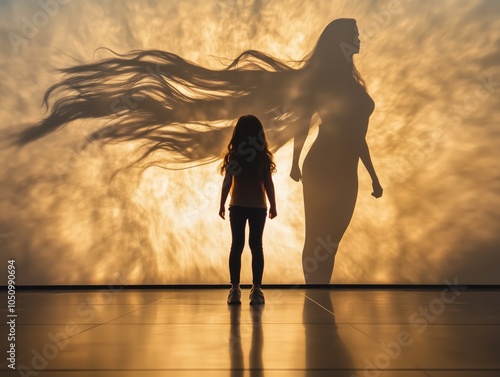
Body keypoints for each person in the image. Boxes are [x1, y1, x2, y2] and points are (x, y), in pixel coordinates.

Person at [17, 18, 382, 285]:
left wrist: (373, 175)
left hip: (347, 170)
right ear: (340, 40)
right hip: (322, 167)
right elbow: (303, 123)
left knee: (332, 237)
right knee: (320, 237)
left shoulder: (351, 81)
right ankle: (315, 295)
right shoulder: (322, 80)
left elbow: (358, 135)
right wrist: (296, 164)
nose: (360, 38)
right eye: (355, 34)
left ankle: (318, 291)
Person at [219, 115, 277, 305]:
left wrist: (221, 204)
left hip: (239, 207)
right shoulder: (261, 158)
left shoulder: (238, 157)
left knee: (237, 246)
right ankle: (255, 290)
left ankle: (237, 289)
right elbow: (268, 184)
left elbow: (227, 183)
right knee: (255, 246)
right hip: (256, 208)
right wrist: (273, 205)